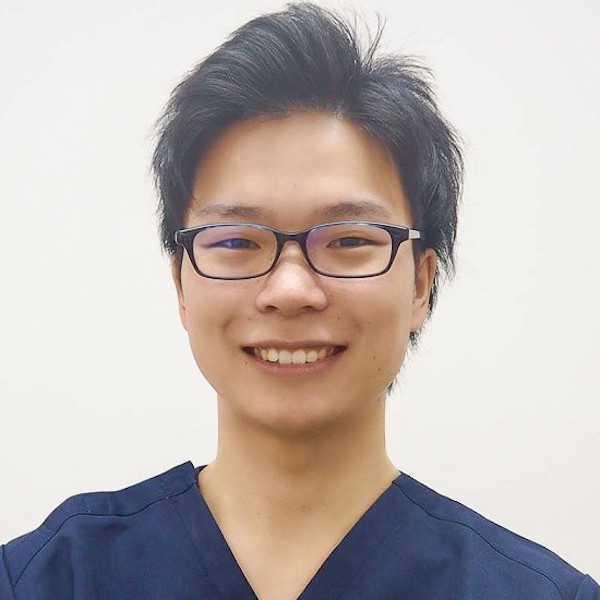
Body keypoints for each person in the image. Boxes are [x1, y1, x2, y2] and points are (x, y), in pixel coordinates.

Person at [1, 3, 598, 599]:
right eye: (236, 241)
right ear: (181, 284)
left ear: (421, 283)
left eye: (349, 240)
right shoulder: (49, 579)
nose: (290, 291)